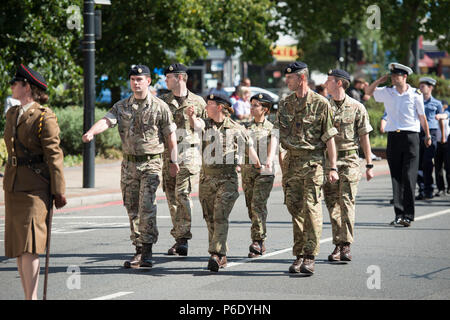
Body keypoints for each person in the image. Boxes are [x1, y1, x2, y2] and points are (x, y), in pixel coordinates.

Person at [82, 65, 179, 270]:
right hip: (128, 164)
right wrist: (92, 132)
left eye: (140, 79)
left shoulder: (160, 107)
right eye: (133, 79)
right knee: (131, 206)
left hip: (151, 162)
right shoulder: (122, 106)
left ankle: (146, 250)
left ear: (149, 81)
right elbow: (107, 120)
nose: (136, 83)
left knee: (146, 205)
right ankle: (137, 248)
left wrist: (173, 161)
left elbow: (171, 136)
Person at [4, 64, 67, 299]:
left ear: (27, 87)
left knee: (30, 245)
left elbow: (54, 155)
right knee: (19, 247)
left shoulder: (43, 116)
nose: (11, 86)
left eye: (15, 83)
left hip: (35, 188)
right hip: (13, 187)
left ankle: (30, 298)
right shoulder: (12, 114)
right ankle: (26, 295)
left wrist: (58, 190)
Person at [274, 61, 339, 275]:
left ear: (302, 78)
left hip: (313, 163)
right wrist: (272, 160)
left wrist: (332, 167)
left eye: (290, 77)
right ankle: (300, 253)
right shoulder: (285, 103)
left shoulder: (321, 104)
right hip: (291, 162)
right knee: (294, 208)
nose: (287, 80)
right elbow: (276, 134)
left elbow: (329, 138)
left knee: (311, 208)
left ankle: (309, 256)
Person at [195, 93, 262, 272]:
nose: (206, 106)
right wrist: (190, 117)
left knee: (219, 215)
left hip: (227, 179)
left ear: (219, 107)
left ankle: (216, 253)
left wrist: (258, 164)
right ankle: (221, 254)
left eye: (209, 104)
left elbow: (249, 149)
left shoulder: (236, 128)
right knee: (209, 217)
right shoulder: (204, 123)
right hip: (206, 179)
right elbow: (196, 125)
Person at [365, 63, 431, 227]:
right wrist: (380, 80)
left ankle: (408, 215)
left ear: (405, 77)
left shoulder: (415, 94)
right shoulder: (387, 92)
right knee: (396, 177)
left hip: (411, 137)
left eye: (397, 76)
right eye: (392, 76)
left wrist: (428, 135)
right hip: (394, 137)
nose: (394, 78)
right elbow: (368, 92)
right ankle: (399, 215)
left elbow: (422, 117)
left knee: (409, 177)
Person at [323, 69, 374, 262]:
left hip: (350, 160)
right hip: (328, 162)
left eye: (329, 80)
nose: (326, 83)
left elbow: (364, 137)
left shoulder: (357, 107)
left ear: (339, 83)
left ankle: (345, 245)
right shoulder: (323, 107)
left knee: (346, 201)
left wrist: (369, 163)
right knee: (332, 204)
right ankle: (338, 243)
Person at [160, 63, 206, 256]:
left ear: (180, 78)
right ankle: (179, 237)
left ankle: (183, 238)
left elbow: (205, 128)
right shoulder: (162, 102)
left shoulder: (198, 102)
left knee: (182, 194)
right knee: (171, 197)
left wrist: (195, 120)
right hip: (167, 155)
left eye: (168, 76)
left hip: (189, 154)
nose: (165, 80)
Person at [241, 93, 277, 258]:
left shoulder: (272, 128)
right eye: (252, 104)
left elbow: (278, 151)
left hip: (265, 172)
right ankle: (259, 238)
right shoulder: (246, 127)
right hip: (248, 172)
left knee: (257, 204)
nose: (252, 107)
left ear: (265, 109)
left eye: (256, 105)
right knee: (251, 206)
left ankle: (258, 241)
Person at [415, 77, 443, 200]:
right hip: (418, 132)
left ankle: (429, 189)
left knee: (427, 162)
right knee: (418, 163)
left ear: (430, 87)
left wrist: (443, 136)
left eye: (423, 86)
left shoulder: (437, 103)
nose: (420, 88)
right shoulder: (416, 101)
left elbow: (440, 121)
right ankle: (421, 189)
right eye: (420, 86)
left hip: (431, 133)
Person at [435, 105, 450, 195]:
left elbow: (444, 118)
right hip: (438, 143)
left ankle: (449, 187)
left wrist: (444, 137)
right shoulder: (437, 116)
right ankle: (441, 188)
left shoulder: (446, 117)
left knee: (448, 166)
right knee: (438, 166)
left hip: (447, 143)